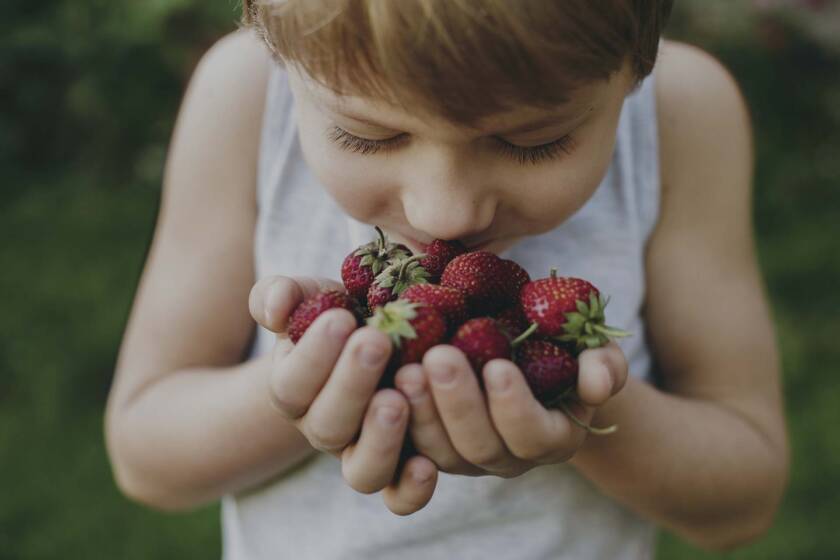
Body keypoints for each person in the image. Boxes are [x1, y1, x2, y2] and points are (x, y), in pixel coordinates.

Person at [104, 1, 789, 558]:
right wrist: (312, 382)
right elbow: (147, 460)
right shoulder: (244, 98)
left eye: (533, 142)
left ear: (635, 71)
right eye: (366, 136)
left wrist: (579, 399)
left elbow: (743, 497)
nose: (446, 213)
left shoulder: (682, 116)